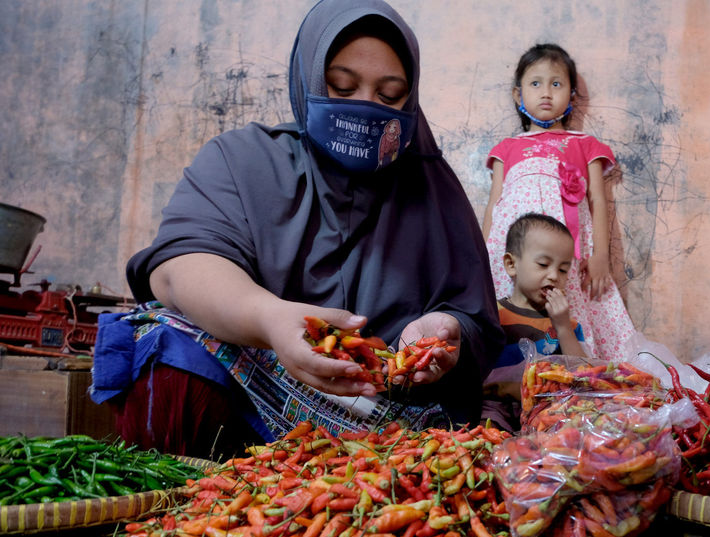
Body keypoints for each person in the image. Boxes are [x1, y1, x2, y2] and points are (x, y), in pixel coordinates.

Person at [91, 0, 503, 459]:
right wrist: (269, 320)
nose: (365, 108)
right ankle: (185, 501)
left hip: (383, 421)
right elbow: (180, 267)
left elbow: (477, 324)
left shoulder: (435, 193)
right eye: (341, 87)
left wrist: (445, 332)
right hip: (251, 403)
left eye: (389, 96)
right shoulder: (243, 160)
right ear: (306, 79)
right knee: (167, 340)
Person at [481, 43, 636, 362]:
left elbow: (598, 201)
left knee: (570, 308)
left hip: (568, 254)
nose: (546, 92)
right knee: (505, 319)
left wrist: (601, 257)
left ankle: (570, 367)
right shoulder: (507, 148)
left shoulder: (585, 146)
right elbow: (494, 206)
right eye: (535, 83)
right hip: (511, 250)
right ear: (517, 94)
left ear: (572, 95)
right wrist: (482, 257)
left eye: (557, 83)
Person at [482, 213, 585, 431]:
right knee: (484, 440)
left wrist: (563, 327)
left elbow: (582, 375)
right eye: (543, 264)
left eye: (563, 269)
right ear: (511, 264)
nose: (554, 275)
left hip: (546, 410)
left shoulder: (568, 323)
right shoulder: (492, 314)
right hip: (492, 405)